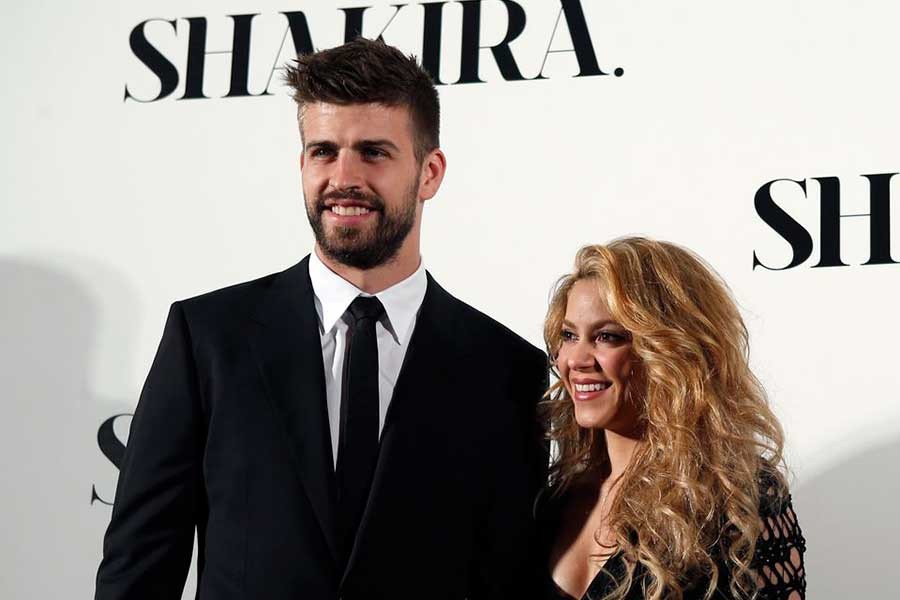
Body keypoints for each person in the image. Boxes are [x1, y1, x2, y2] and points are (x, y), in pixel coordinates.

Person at [95, 38, 547, 600]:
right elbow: (138, 567)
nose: (343, 178)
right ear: (303, 164)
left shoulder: (506, 369)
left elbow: (509, 580)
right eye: (324, 152)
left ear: (430, 173)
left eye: (374, 152)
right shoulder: (209, 338)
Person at [538, 238, 806, 600]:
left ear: (672, 351)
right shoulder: (556, 497)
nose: (576, 359)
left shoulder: (736, 499)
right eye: (569, 336)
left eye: (607, 337)